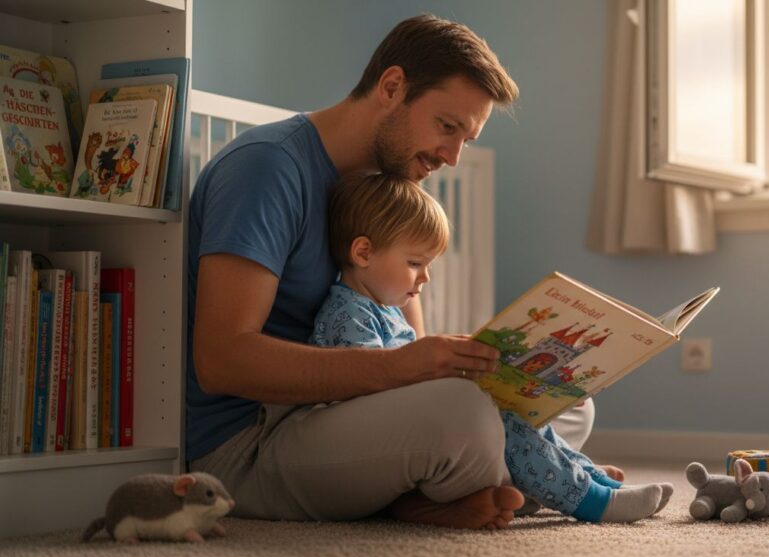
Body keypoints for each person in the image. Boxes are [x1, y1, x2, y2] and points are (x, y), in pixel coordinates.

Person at [186, 14, 607, 530]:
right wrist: (407, 369)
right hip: (254, 441)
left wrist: (479, 366)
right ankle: (524, 480)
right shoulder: (268, 169)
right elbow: (221, 360)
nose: (451, 157)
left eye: (465, 140)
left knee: (566, 404)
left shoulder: (391, 192)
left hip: (348, 419)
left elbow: (411, 348)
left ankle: (445, 489)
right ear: (391, 87)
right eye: (447, 127)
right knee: (463, 415)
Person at [313, 173, 672, 523]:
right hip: (387, 440)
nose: (425, 277)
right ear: (363, 252)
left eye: (428, 265)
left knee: (528, 411)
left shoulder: (384, 308)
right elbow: (367, 389)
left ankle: (579, 474)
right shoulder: (348, 312)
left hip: (428, 427)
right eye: (414, 263)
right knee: (503, 419)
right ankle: (590, 500)